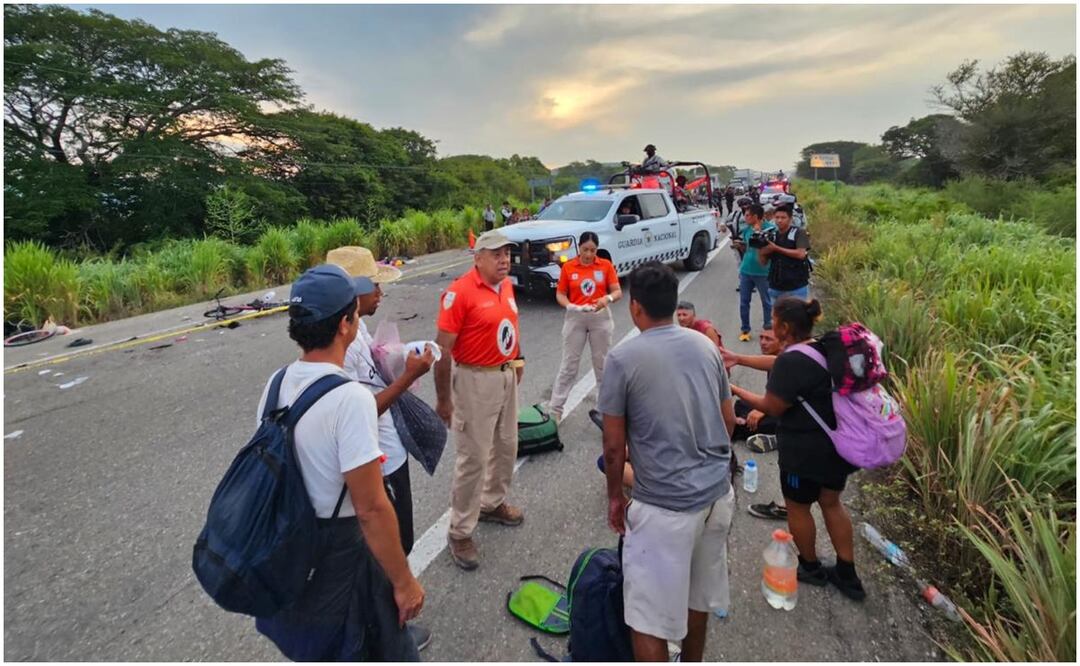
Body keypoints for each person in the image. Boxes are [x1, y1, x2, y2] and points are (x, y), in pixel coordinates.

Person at [253, 265, 423, 661]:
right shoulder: (351, 399)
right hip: (342, 554)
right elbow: (370, 507)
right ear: (346, 323)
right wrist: (404, 582)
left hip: (296, 540)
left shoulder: (276, 382)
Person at [598, 262, 736, 662]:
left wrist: (613, 498)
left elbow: (612, 447)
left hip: (664, 508)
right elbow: (728, 422)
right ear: (675, 304)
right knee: (698, 598)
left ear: (635, 307)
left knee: (648, 620)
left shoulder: (623, 358)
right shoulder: (705, 346)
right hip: (716, 500)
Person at [327, 246, 437, 651]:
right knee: (389, 548)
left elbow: (372, 370)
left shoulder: (356, 329)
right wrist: (408, 376)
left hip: (387, 448)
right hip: (376, 457)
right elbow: (360, 409)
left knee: (398, 541)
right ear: (354, 293)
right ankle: (386, 633)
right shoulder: (343, 341)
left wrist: (399, 356)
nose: (381, 292)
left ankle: (383, 626)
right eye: (374, 285)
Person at [730, 298, 865, 601]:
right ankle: (847, 574)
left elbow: (772, 407)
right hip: (837, 445)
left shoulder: (791, 361)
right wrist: (737, 357)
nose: (771, 323)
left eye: (774, 320)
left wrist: (737, 390)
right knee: (832, 503)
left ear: (785, 327)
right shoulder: (819, 347)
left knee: (798, 507)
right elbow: (779, 364)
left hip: (805, 452)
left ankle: (811, 567)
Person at [434, 229, 525, 571]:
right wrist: (444, 399)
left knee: (506, 446)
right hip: (474, 380)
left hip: (504, 375)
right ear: (478, 258)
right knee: (473, 458)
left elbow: (511, 326)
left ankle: (491, 504)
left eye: (507, 254)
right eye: (497, 254)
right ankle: (459, 531)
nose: (504, 260)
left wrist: (517, 360)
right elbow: (442, 349)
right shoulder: (459, 293)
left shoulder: (506, 286)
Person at [549, 231, 621, 422]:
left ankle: (604, 409)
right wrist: (570, 306)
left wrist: (608, 298)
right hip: (576, 317)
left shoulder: (605, 265)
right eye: (585, 250)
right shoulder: (569, 267)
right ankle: (555, 410)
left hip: (600, 317)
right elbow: (560, 294)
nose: (588, 254)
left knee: (602, 365)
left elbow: (617, 290)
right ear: (578, 248)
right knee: (569, 365)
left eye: (592, 250)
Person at [731, 203, 775, 341]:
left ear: (756, 217)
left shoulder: (770, 229)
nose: (745, 217)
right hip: (746, 270)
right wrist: (740, 245)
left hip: (763, 271)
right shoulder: (746, 230)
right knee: (744, 301)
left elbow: (767, 248)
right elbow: (749, 248)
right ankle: (745, 329)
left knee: (766, 301)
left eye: (748, 215)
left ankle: (768, 327)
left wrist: (758, 233)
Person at [759, 204, 812, 302]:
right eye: (777, 217)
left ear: (790, 219)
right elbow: (763, 263)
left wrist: (776, 248)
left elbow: (801, 254)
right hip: (775, 287)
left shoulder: (801, 233)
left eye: (783, 217)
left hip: (796, 287)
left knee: (796, 316)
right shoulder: (771, 235)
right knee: (777, 317)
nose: (779, 220)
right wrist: (762, 252)